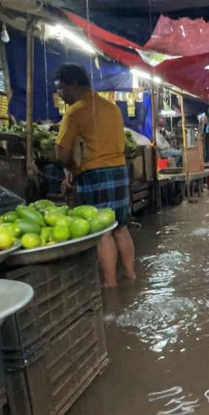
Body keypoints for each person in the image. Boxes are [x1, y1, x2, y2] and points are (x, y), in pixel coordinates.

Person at [54, 64, 135, 288]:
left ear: (74, 85)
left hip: (94, 174)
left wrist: (71, 171)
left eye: (62, 88)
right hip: (119, 170)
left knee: (102, 232)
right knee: (120, 227)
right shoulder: (111, 107)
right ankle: (130, 277)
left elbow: (61, 153)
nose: (61, 94)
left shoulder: (75, 111)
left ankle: (110, 287)